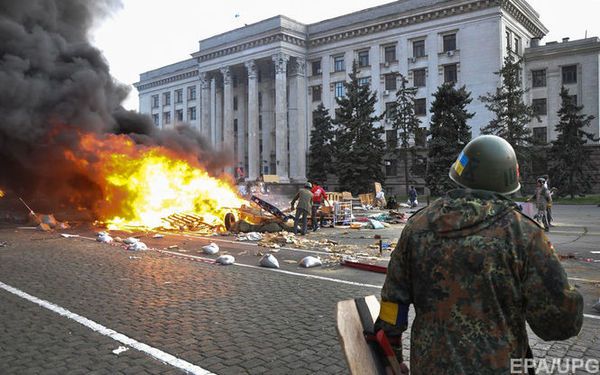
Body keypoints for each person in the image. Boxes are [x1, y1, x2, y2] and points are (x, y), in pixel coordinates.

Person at [375, 135, 583, 375]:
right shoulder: (522, 234)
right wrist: (571, 296)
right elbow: (558, 323)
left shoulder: (417, 226)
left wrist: (391, 358)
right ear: (508, 182)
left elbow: (393, 303)